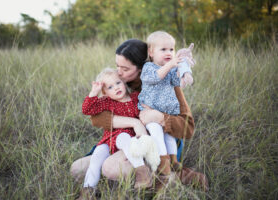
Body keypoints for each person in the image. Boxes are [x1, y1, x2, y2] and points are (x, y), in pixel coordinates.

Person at [70, 38, 208, 193]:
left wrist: (161, 117)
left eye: (125, 68)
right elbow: (97, 118)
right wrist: (134, 123)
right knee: (77, 169)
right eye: (117, 66)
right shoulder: (118, 84)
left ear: (141, 69)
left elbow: (188, 128)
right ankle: (131, 179)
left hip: (155, 144)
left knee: (110, 168)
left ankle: (174, 176)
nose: (119, 72)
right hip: (123, 139)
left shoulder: (165, 83)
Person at [78, 68, 156, 199]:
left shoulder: (135, 98)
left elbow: (148, 107)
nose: (116, 88)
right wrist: (94, 92)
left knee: (123, 137)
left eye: (118, 83)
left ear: (124, 82)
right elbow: (87, 109)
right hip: (108, 140)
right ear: (105, 92)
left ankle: (142, 171)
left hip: (128, 138)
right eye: (110, 87)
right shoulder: (107, 102)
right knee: (96, 156)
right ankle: (88, 190)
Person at [137, 31, 193, 187]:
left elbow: (177, 83)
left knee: (169, 136)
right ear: (151, 52)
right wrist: (170, 65)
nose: (169, 53)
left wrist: (184, 73)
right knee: (156, 133)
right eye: (163, 50)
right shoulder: (148, 67)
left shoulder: (169, 69)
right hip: (149, 112)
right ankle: (164, 166)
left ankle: (174, 161)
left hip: (167, 114)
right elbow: (154, 77)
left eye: (171, 49)